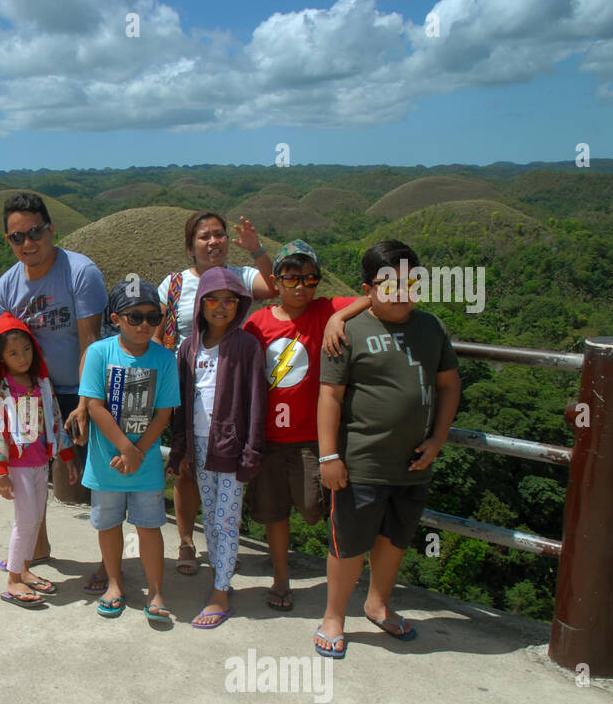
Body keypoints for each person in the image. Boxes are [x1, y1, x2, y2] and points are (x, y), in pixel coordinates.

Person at [315, 240, 461, 659]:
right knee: (348, 542)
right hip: (360, 460)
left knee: (395, 538)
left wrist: (438, 438)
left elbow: (449, 385)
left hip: (415, 460)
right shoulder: (348, 331)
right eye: (389, 283)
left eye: (411, 282)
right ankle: (333, 618)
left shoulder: (431, 327)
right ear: (368, 288)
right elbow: (330, 396)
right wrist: (329, 456)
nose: (401, 291)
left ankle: (377, 604)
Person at [0, 192, 110, 590]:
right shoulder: (7, 285)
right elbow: (1, 343)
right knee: (34, 469)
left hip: (78, 386)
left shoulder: (80, 273)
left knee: (94, 475)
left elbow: (90, 343)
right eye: (17, 237)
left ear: (51, 229)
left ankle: (107, 561)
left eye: (35, 233)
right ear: (8, 241)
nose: (27, 243)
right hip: (31, 392)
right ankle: (37, 545)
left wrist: (86, 400)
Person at [241, 240, 370, 611]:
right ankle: (281, 578)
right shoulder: (257, 323)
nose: (301, 287)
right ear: (276, 281)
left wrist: (336, 317)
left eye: (310, 279)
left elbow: (378, 299)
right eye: (292, 278)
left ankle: (345, 578)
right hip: (267, 439)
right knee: (273, 513)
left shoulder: (325, 309)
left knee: (317, 508)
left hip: (312, 441)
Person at [154, 211, 276, 576]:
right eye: (204, 236)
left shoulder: (241, 276)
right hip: (185, 387)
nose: (214, 242)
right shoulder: (174, 284)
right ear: (190, 246)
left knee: (228, 466)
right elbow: (158, 333)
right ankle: (188, 541)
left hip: (232, 390)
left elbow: (274, 288)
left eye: (219, 235)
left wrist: (256, 251)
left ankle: (222, 542)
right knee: (187, 468)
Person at [166, 268, 266, 628]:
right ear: (200, 304)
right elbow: (180, 405)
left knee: (225, 520)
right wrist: (180, 451)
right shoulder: (189, 348)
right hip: (199, 446)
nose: (220, 307)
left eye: (229, 300)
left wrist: (252, 452)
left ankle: (221, 593)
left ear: (240, 305)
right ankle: (220, 580)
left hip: (232, 447)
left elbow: (256, 402)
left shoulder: (246, 347)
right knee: (211, 517)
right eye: (212, 300)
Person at [78, 279, 180, 624]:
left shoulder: (165, 359)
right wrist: (127, 449)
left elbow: (164, 412)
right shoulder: (99, 352)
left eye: (153, 317)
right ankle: (115, 584)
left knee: (149, 526)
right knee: (108, 524)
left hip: (144, 463)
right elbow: (94, 406)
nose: (144, 325)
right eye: (134, 317)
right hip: (109, 461)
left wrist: (137, 452)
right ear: (115, 318)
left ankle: (156, 592)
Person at [0, 313, 80, 606]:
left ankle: (24, 570)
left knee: (35, 518)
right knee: (25, 521)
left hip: (40, 462)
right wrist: (0, 471)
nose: (22, 357)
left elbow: (54, 418)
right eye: (13, 353)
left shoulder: (40, 383)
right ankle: (13, 579)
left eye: (26, 349)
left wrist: (66, 456)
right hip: (17, 465)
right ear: (1, 356)